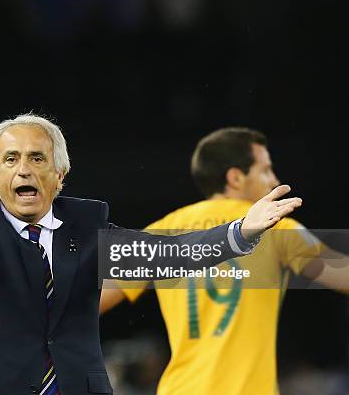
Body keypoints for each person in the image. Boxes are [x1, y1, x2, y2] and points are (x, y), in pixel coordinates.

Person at [0, 114, 301, 394]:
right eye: (11, 159)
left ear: (60, 175)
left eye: (37, 158)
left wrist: (241, 232)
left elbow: (168, 254)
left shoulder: (86, 227)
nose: (23, 170)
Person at [100, 127, 348, 395]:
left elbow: (87, 303)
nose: (274, 179)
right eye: (265, 170)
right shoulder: (277, 229)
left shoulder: (161, 230)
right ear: (235, 178)